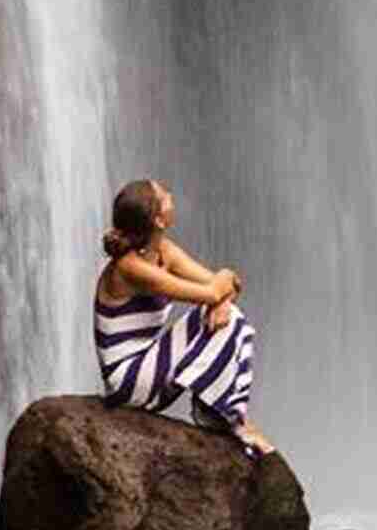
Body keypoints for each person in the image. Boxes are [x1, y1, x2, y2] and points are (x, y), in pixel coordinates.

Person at [95, 179, 275, 457]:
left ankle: (216, 410)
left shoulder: (164, 251)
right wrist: (220, 290)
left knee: (227, 316)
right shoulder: (131, 268)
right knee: (227, 317)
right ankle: (228, 417)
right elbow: (215, 287)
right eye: (164, 196)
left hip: (150, 369)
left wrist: (220, 298)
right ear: (158, 220)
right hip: (127, 382)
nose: (171, 195)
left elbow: (222, 287)